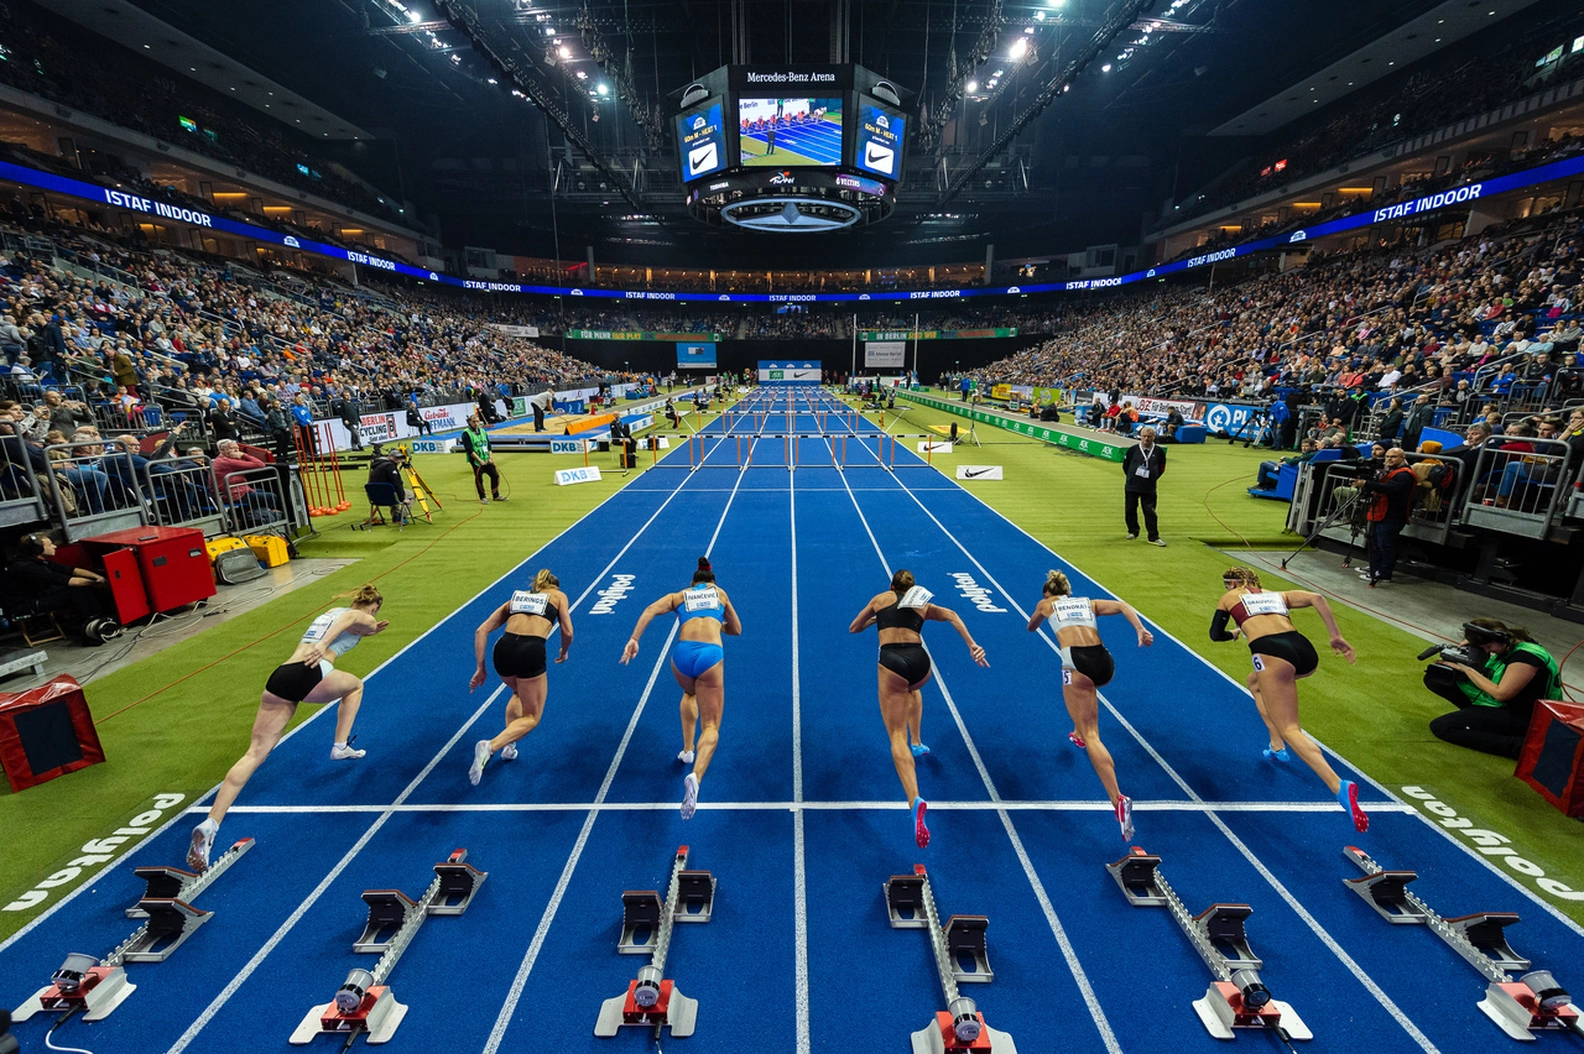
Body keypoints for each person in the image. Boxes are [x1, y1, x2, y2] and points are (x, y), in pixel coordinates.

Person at [188, 585, 388, 870]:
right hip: (313, 670)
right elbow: (350, 622)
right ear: (373, 607)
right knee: (355, 686)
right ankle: (340, 746)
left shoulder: (331, 612)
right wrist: (325, 645)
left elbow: (349, 625)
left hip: (281, 675)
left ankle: (211, 824)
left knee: (254, 754)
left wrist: (368, 631)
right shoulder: (360, 616)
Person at [1210, 566, 1366, 832]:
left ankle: (1338, 785)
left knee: (1291, 728)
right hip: (1304, 652)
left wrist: (1234, 633)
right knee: (1254, 682)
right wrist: (1335, 636)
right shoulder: (1277, 594)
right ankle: (1276, 745)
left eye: (1228, 584)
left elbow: (1215, 635)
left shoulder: (1230, 597)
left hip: (1272, 653)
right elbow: (1317, 598)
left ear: (1234, 583)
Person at [848, 570, 989, 849]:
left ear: (892, 586)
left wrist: (878, 618)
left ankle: (915, 800)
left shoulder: (880, 598)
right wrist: (972, 645)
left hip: (892, 662)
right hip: (921, 663)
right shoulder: (922, 604)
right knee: (914, 688)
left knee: (894, 735)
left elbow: (854, 627)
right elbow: (952, 615)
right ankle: (918, 741)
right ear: (912, 588)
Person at [1027, 570, 1152, 840]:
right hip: (1104, 661)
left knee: (1092, 731)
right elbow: (1122, 606)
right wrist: (1140, 629)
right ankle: (1077, 733)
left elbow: (1031, 625)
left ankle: (1117, 799)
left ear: (1048, 593)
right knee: (1085, 699)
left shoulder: (1046, 604)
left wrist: (1042, 613)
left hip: (1076, 662)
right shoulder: (1088, 602)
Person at [621, 557, 742, 819]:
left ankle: (688, 751)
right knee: (710, 726)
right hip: (710, 655)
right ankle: (695, 777)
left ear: (692, 583)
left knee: (689, 693)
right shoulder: (719, 593)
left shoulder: (679, 596)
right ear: (712, 582)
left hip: (681, 656)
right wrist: (719, 624)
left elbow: (651, 609)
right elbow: (737, 629)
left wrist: (634, 639)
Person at [467, 569, 574, 784]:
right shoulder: (558, 596)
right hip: (530, 650)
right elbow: (568, 631)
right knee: (532, 717)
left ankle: (509, 747)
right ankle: (491, 746)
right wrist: (564, 650)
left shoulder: (515, 598)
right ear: (554, 586)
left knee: (518, 692)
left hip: (503, 650)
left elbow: (481, 630)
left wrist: (481, 668)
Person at [1425, 618, 1561, 758]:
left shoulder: (1526, 657)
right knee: (1438, 678)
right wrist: (1474, 649)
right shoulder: (1513, 642)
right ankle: (1481, 720)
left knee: (1443, 727)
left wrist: (1468, 670)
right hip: (1508, 706)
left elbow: (1502, 694)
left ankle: (1525, 747)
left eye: (1488, 647)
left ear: (1500, 639)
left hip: (1528, 717)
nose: (1488, 651)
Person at [0, 532, 119, 642]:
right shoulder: (27, 567)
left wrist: (98, 577)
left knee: (83, 587)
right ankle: (94, 625)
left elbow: (71, 570)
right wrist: (98, 583)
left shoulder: (38, 561)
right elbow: (67, 581)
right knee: (78, 591)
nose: (55, 546)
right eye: (50, 544)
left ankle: (102, 619)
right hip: (24, 605)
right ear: (38, 549)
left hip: (37, 594)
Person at [1351, 446, 1414, 585]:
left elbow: (1390, 488)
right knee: (1374, 542)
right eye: (1387, 457)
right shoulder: (1390, 472)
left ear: (1403, 458)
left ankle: (1384, 574)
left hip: (1392, 515)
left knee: (1386, 545)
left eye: (1393, 457)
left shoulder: (1405, 475)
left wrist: (1368, 483)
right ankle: (1375, 568)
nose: (1389, 459)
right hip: (1380, 511)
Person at [1122, 426, 1167, 545]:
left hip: (1149, 487)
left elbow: (1162, 468)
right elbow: (1126, 466)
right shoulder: (1132, 450)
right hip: (1132, 485)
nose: (1146, 439)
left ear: (1154, 437)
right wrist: (1132, 477)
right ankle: (1133, 531)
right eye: (1144, 436)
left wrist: (1152, 477)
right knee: (1130, 509)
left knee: (1150, 511)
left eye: (1149, 437)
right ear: (1140, 437)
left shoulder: (1159, 452)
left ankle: (1153, 536)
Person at [460, 413, 503, 504]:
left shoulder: (483, 431)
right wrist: (479, 461)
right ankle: (482, 497)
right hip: (476, 460)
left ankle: (496, 495)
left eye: (477, 421)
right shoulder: (466, 433)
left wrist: (490, 458)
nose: (476, 423)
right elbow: (469, 450)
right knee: (479, 478)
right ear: (470, 422)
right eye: (474, 421)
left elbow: (489, 446)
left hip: (486, 458)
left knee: (495, 475)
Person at [367, 446, 412, 524]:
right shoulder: (390, 466)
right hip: (388, 496)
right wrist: (402, 499)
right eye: (396, 458)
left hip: (374, 497)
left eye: (400, 458)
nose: (398, 460)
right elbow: (397, 483)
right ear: (389, 457)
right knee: (410, 494)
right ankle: (401, 516)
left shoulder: (378, 465)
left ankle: (395, 516)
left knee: (392, 492)